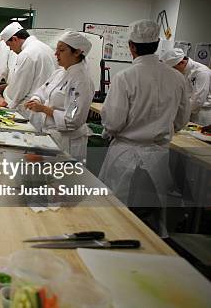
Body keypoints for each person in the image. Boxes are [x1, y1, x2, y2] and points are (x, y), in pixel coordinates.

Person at [98, 20, 190, 237]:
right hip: (157, 156)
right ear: (157, 43)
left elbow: (113, 122)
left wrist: (110, 130)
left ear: (131, 46)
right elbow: (182, 119)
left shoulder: (125, 77)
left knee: (116, 214)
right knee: (149, 215)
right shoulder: (176, 77)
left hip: (125, 154)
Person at [25, 31, 95, 162]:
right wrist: (35, 100)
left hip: (67, 143)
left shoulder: (81, 81)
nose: (56, 53)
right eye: (56, 49)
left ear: (77, 52)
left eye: (61, 50)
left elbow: (73, 119)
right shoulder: (59, 74)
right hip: (50, 137)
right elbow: (41, 92)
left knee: (64, 180)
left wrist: (43, 109)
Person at [0, 22, 56, 117]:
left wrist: (5, 100)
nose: (10, 50)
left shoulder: (27, 54)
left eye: (9, 45)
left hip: (32, 110)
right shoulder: (45, 48)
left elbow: (20, 87)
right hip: (45, 107)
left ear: (14, 39)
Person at [160, 48, 211, 126]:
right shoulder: (183, 71)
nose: (174, 71)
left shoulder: (202, 72)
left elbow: (198, 100)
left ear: (182, 62)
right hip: (188, 111)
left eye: (174, 68)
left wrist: (179, 112)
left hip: (202, 114)